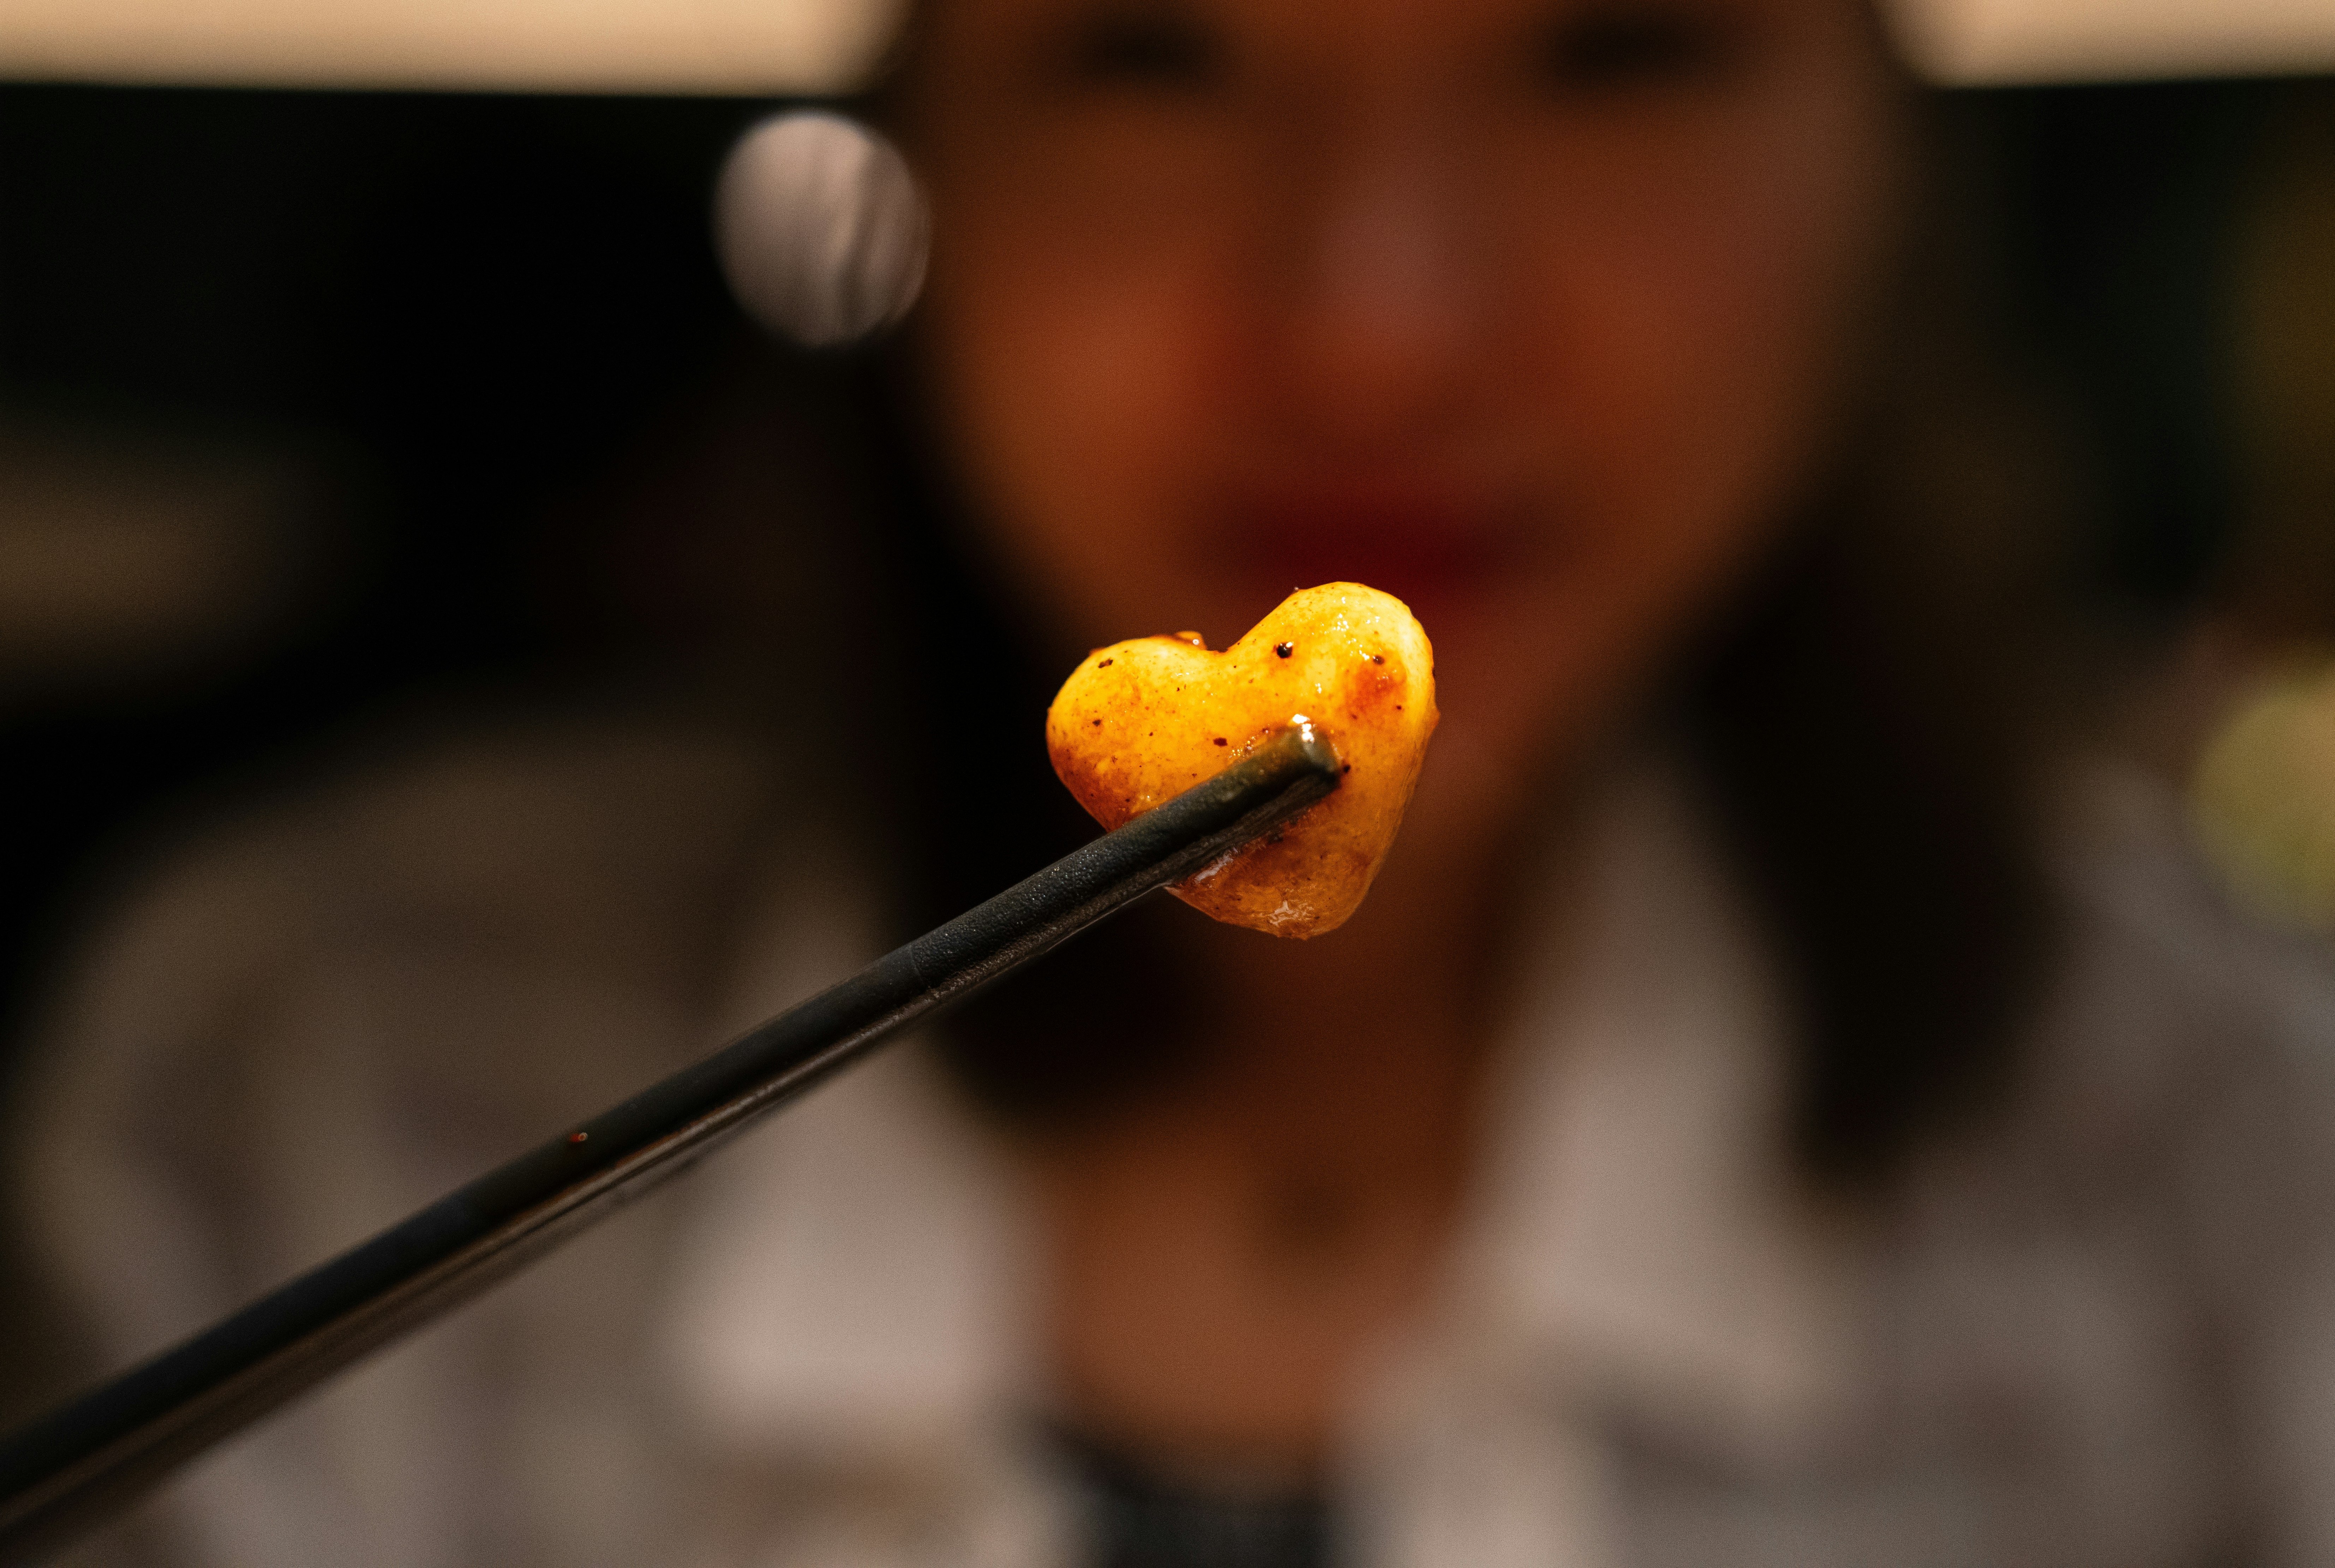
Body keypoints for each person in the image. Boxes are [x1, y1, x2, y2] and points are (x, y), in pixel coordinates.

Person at [13, 0, 2335, 1564]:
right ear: (916, 137)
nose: (1376, 320)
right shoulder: (307, 1075)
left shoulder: (2228, 1166)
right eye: (1152, 46)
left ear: (1883, 171)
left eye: (1620, 37)